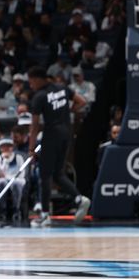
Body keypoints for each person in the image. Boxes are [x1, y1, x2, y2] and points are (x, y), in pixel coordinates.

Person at [27, 66, 89, 227]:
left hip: (51, 136)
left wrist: (31, 148)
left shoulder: (39, 96)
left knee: (44, 176)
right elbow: (82, 101)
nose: (30, 85)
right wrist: (69, 111)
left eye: (31, 81)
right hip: (66, 135)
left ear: (39, 79)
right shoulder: (62, 88)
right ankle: (79, 199)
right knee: (57, 174)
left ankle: (45, 216)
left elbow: (34, 126)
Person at [0, 137, 27, 225]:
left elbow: (22, 172)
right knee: (1, 182)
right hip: (4, 180)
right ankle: (3, 209)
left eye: (9, 146)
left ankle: (16, 209)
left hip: (16, 179)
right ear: (0, 148)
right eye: (4, 146)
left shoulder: (18, 157)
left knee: (16, 184)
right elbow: (0, 173)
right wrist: (5, 161)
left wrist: (13, 178)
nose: (6, 148)